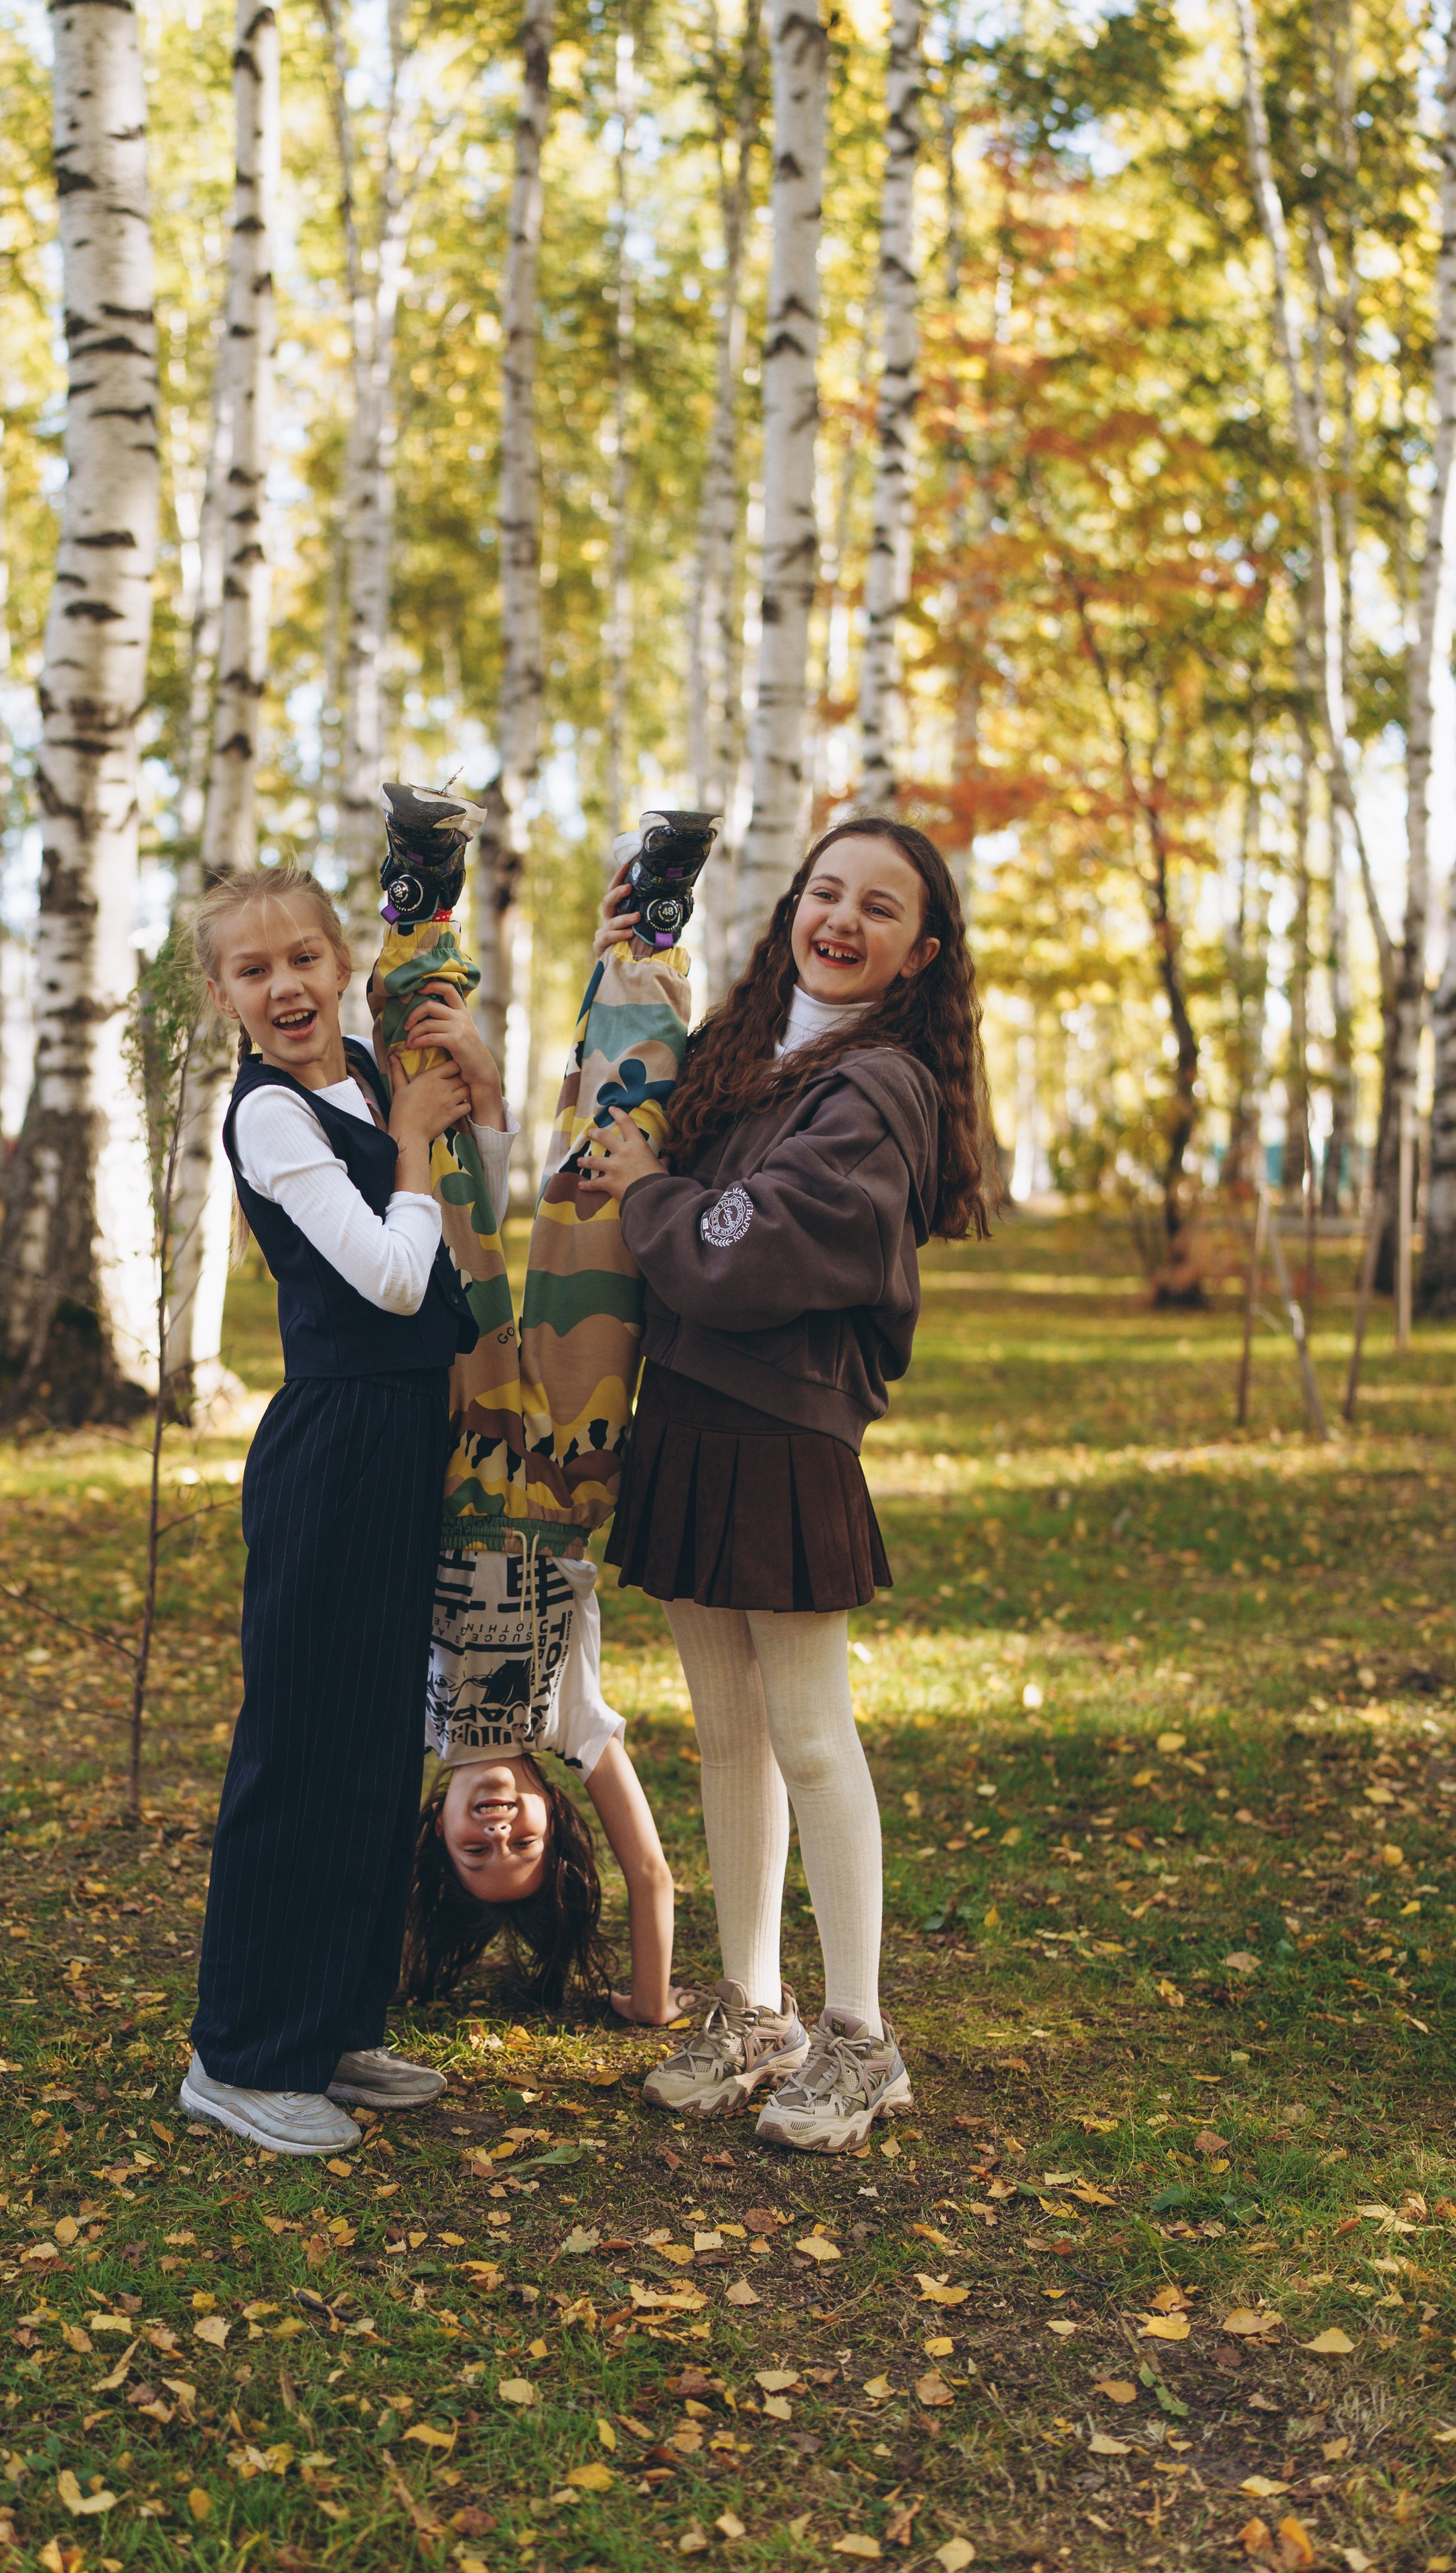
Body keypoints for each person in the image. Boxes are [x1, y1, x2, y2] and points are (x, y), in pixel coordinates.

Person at [577, 816, 993, 2153]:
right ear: (790, 910)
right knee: (727, 1736)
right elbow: (613, 1155)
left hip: (786, 1435)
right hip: (689, 1421)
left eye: (878, 907)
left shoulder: (878, 1089)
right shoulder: (741, 1055)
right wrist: (624, 991)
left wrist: (648, 1199)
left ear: (920, 954)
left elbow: (743, 1248)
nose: (841, 920)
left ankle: (860, 2038)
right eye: (824, 892)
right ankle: (755, 2012)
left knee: (811, 1737)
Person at [180, 861, 514, 2156]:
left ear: (340, 964)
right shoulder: (272, 1117)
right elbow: (385, 1275)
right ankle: (243, 2055)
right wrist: (420, 1141)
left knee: (377, 1743)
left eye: (303, 960)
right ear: (224, 995)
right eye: (253, 970)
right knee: (301, 1745)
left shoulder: (365, 1080)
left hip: (403, 1438)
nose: (285, 988)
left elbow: (479, 1185)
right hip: (332, 1444)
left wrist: (463, 1080)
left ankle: (332, 2021)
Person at [402, 1546, 695, 2024]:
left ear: (439, 1826)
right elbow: (649, 1872)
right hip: (550, 1494)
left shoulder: (408, 1724)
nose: (499, 1836)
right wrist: (649, 2002)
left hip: (443, 1496)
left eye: (476, 1852)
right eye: (526, 1843)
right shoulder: (572, 1726)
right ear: (554, 1812)